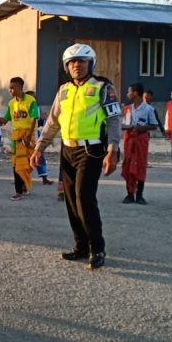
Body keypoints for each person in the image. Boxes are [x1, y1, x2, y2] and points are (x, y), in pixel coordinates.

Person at [30, 44, 121, 270]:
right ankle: (80, 246)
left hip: (91, 151)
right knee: (70, 199)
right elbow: (52, 122)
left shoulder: (102, 87)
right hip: (67, 150)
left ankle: (97, 247)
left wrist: (113, 150)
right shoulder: (63, 90)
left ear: (90, 63)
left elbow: (114, 119)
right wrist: (39, 148)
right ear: (66, 66)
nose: (76, 66)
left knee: (84, 198)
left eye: (81, 61)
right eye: (71, 62)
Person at [0, 77, 38, 201]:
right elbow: (6, 119)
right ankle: (18, 191)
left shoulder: (30, 100)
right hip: (16, 137)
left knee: (28, 164)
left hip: (28, 136)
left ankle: (23, 186)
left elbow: (34, 119)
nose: (10, 90)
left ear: (20, 88)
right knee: (17, 163)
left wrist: (28, 137)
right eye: (9, 88)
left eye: (12, 88)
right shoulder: (11, 104)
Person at [121, 83, 158, 205]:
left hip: (141, 141)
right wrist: (130, 126)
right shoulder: (127, 109)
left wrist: (141, 128)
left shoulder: (148, 109)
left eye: (129, 91)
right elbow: (123, 125)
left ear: (136, 93)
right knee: (128, 166)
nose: (127, 94)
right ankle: (130, 194)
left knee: (140, 166)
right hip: (129, 141)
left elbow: (154, 125)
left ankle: (140, 195)